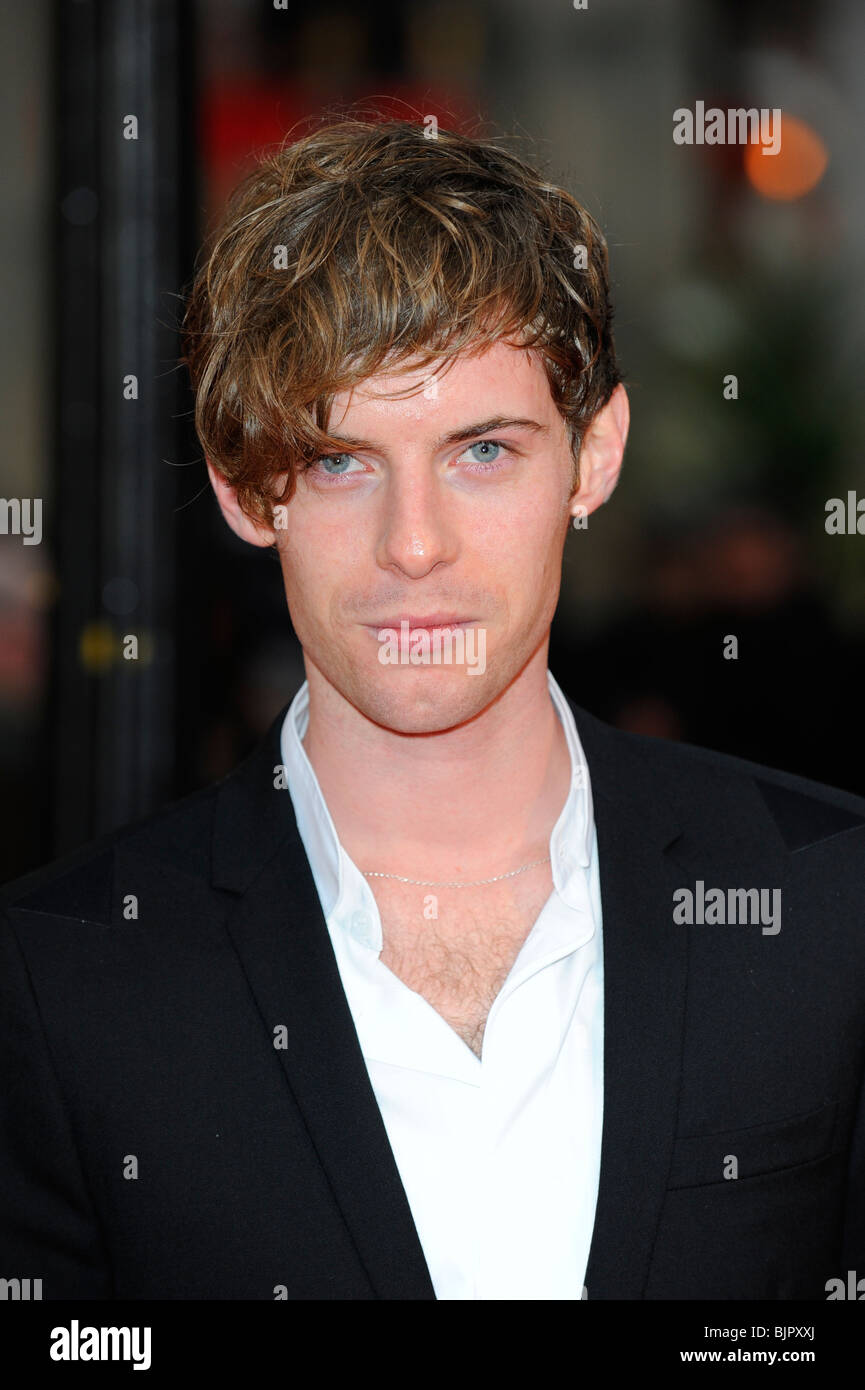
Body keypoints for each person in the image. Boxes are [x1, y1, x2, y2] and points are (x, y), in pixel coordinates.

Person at [2, 119, 863, 1301]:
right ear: (248, 487)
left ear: (594, 454)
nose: (415, 546)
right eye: (342, 461)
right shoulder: (59, 980)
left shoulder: (830, 903)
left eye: (483, 452)